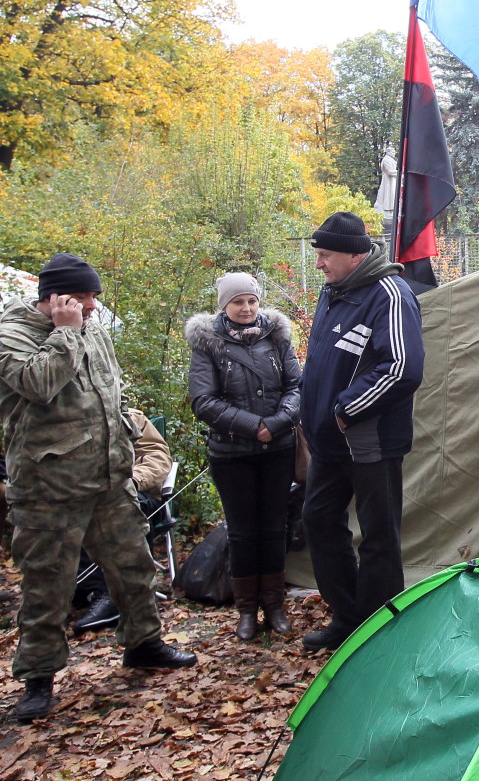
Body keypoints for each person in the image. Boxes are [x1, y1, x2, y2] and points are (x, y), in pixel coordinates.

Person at [0, 254, 196, 724]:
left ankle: (144, 645)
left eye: (93, 298)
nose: (91, 307)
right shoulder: (13, 334)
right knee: (48, 585)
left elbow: (110, 392)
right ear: (55, 296)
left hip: (109, 480)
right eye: (83, 298)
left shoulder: (94, 327)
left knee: (133, 568)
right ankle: (38, 679)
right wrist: (65, 330)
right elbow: (39, 383)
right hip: (50, 489)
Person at [299, 213, 424, 652]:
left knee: (378, 534)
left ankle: (376, 631)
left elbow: (404, 368)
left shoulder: (390, 295)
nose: (319, 264)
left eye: (325, 255)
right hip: (328, 442)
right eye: (318, 255)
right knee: (318, 520)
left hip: (370, 441)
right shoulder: (333, 292)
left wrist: (345, 410)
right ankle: (348, 617)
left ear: (355, 255)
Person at [186, 273, 302, 641]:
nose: (246, 308)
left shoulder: (276, 336)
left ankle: (275, 606)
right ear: (224, 305)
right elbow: (203, 401)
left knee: (274, 528)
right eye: (238, 302)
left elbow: (296, 386)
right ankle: (247, 611)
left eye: (251, 301)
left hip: (278, 450)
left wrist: (278, 423)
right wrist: (255, 426)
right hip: (232, 454)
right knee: (242, 532)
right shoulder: (208, 344)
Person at [70, 409, 173, 634]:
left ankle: (111, 596)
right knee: (76, 515)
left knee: (127, 508)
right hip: (90, 497)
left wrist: (133, 481)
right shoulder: (73, 421)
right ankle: (93, 592)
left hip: (137, 492)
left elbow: (158, 456)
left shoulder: (132, 416)